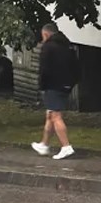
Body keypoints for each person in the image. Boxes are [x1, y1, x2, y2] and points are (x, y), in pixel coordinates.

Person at [31, 23, 79, 160]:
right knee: (50, 114)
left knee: (56, 116)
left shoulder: (48, 47)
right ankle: (44, 144)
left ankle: (66, 146)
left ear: (46, 34)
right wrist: (72, 82)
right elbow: (76, 66)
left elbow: (44, 69)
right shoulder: (68, 45)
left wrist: (42, 85)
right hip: (66, 85)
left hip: (53, 85)